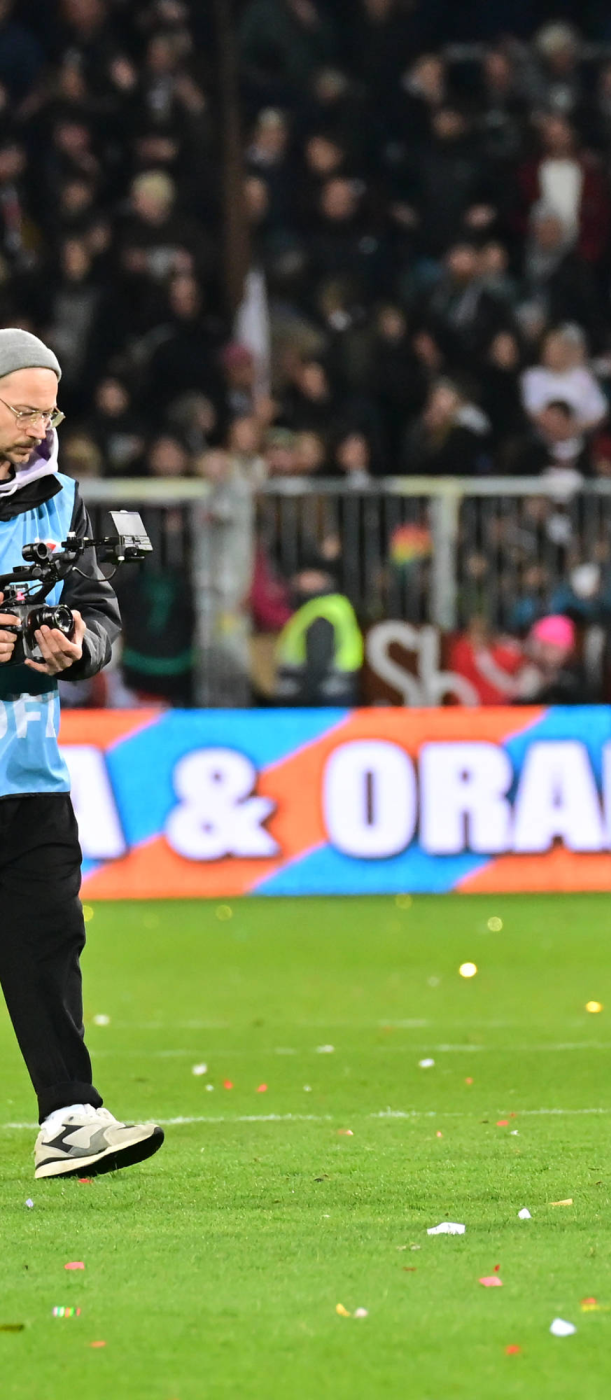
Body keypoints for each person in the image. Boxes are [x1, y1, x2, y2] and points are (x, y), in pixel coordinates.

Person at [0, 329, 165, 1180]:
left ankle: (69, 1115)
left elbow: (100, 612)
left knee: (47, 942)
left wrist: (78, 646)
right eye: (23, 410)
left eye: (48, 411)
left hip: (28, 773)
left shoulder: (62, 501)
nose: (39, 428)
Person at [274, 567, 363, 704]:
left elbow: (318, 660)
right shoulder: (329, 606)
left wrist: (307, 696)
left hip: (321, 696)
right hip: (334, 691)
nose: (299, 578)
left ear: (322, 579)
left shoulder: (322, 612)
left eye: (307, 574)